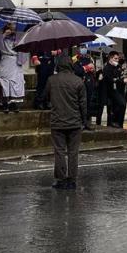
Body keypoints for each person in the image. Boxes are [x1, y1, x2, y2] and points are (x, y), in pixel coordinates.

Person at [47, 60, 88, 190]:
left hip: (57, 121)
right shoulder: (78, 81)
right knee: (73, 152)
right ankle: (72, 179)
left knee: (59, 151)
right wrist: (84, 120)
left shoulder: (51, 80)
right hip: (74, 122)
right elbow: (83, 104)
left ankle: (60, 178)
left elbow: (45, 96)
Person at [0, 23, 27, 113]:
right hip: (6, 60)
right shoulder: (1, 35)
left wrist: (18, 43)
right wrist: (4, 35)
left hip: (16, 61)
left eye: (14, 24)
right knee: (5, 81)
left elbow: (24, 48)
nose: (13, 26)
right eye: (11, 24)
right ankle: (5, 104)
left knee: (16, 82)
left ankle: (14, 104)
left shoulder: (19, 36)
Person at [100, 51, 127, 128]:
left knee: (119, 106)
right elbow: (110, 79)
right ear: (110, 58)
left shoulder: (117, 67)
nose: (117, 60)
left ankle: (118, 123)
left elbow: (120, 76)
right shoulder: (106, 68)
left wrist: (125, 76)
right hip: (110, 92)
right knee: (120, 105)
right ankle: (114, 123)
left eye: (118, 58)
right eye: (115, 58)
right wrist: (120, 80)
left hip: (118, 91)